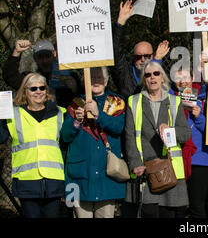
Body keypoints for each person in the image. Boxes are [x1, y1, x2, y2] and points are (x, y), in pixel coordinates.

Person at [125, 61, 191, 218]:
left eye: (156, 74)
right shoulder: (133, 102)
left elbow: (186, 134)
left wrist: (170, 131)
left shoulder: (175, 101)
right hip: (145, 171)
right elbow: (129, 137)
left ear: (163, 78)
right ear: (144, 79)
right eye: (148, 75)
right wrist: (135, 163)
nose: (152, 77)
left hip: (170, 172)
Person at [61, 67, 126, 218]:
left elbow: (118, 128)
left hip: (106, 176)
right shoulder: (75, 104)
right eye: (92, 77)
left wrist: (98, 115)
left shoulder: (116, 102)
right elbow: (65, 136)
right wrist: (76, 122)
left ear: (106, 80)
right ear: (85, 81)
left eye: (99, 77)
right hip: (80, 175)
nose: (96, 80)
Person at [0, 73, 66, 218]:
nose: (38, 91)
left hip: (53, 180)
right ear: (25, 91)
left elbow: (68, 139)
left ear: (47, 90)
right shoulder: (12, 114)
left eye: (42, 88)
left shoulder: (60, 113)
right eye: (33, 88)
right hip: (26, 181)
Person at [172, 68, 208, 218]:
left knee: (197, 206)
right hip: (176, 160)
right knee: (178, 207)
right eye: (177, 77)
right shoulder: (169, 99)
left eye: (185, 76)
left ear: (192, 77)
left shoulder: (205, 97)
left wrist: (199, 116)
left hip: (200, 159)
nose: (182, 81)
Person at [110, 0, 170, 99]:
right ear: (133, 57)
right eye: (138, 56)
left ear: (152, 56)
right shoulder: (125, 75)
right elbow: (116, 50)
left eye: (147, 56)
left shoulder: (159, 75)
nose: (143, 59)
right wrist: (120, 23)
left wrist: (157, 60)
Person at [2, 39, 81, 108]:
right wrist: (16, 52)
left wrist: (75, 89)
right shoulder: (31, 78)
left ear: (54, 55)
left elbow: (82, 99)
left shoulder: (70, 76)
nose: (44, 61)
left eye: (47, 56)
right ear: (35, 58)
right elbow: (10, 76)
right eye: (40, 57)